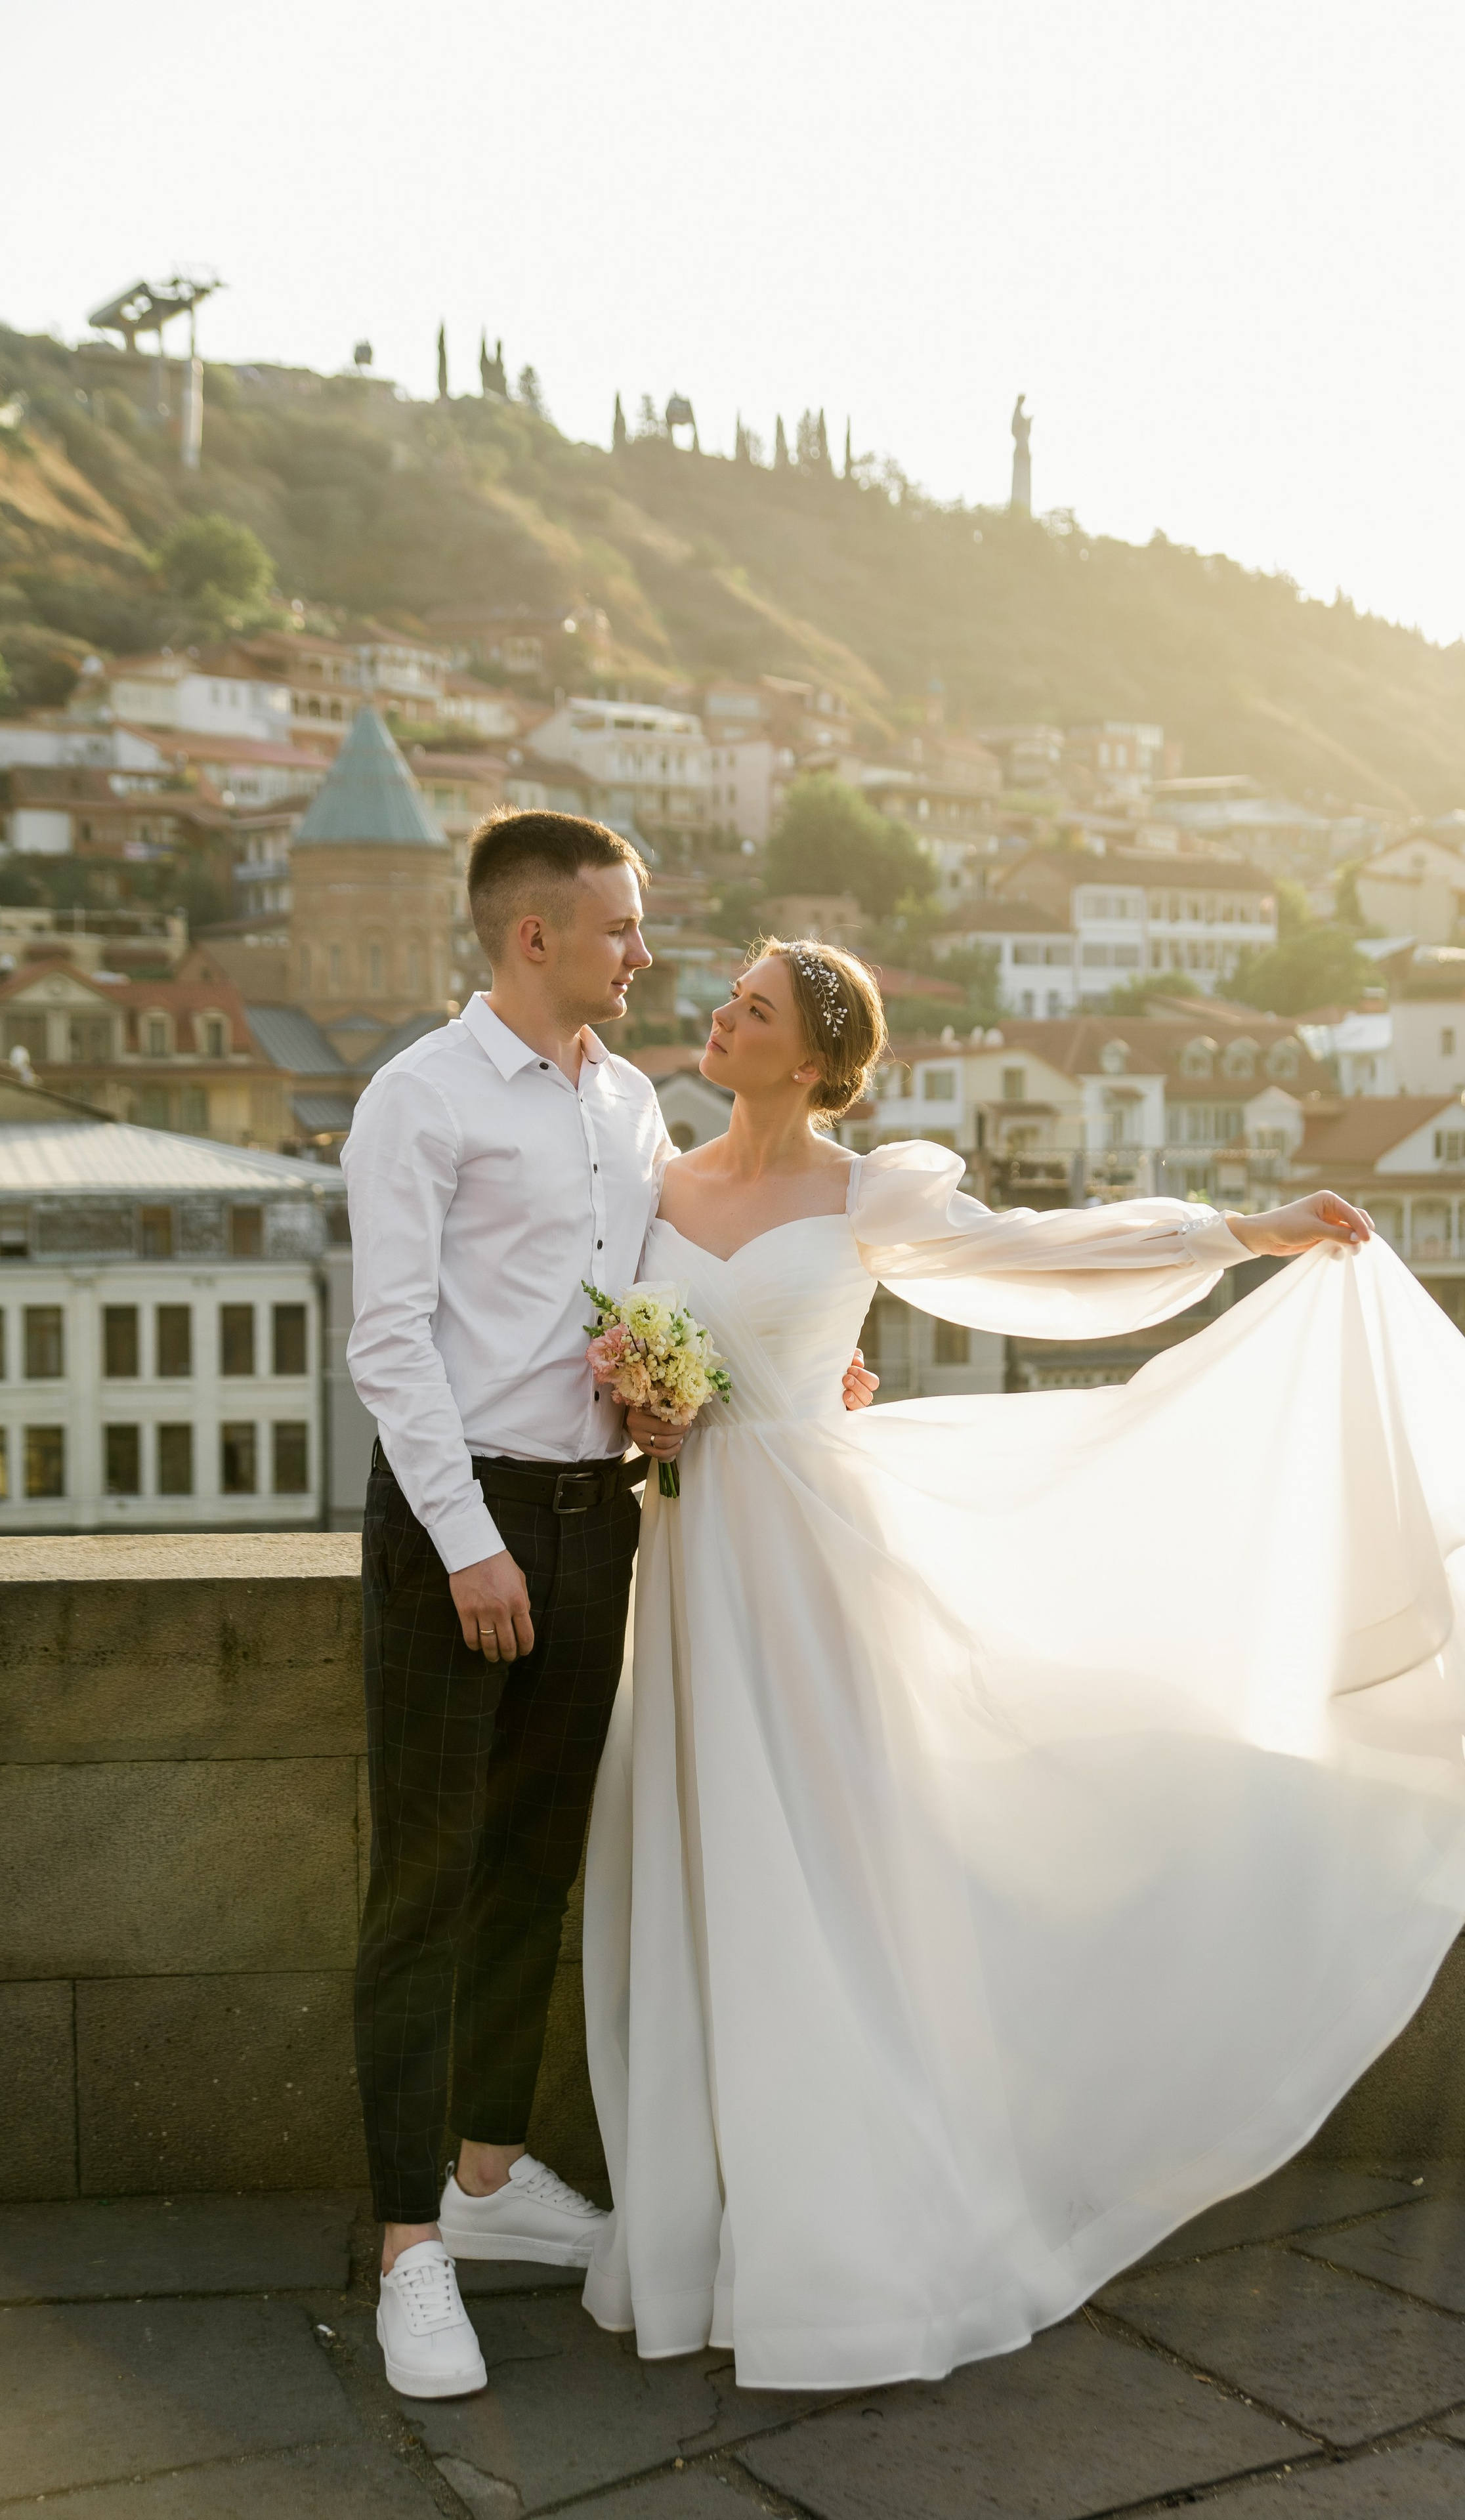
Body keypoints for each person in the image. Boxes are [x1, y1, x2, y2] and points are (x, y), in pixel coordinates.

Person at [579, 939, 1465, 2391]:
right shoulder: (650, 1184)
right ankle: (713, 2225)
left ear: (807, 1060)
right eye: (729, 997)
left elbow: (1037, 1256)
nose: (720, 1014)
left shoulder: (873, 1193)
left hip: (813, 1571)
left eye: (750, 1007)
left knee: (833, 1869)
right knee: (703, 1864)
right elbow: (600, 1340)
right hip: (690, 1567)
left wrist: (1236, 1233)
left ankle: (851, 2241)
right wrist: (641, 1410)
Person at [341, 816, 876, 2401]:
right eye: (624, 931)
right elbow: (388, 1348)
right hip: (467, 1530)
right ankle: (404, 2252)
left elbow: (677, 1291)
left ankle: (489, 2183)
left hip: (600, 1526)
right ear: (534, 940)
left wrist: (773, 1369)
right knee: (422, 1884)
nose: (647, 957)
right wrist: (464, 1544)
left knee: (528, 1868)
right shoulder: (416, 1101)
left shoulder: (631, 1102)